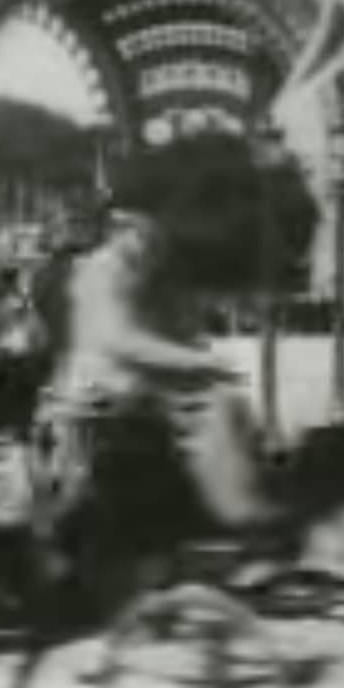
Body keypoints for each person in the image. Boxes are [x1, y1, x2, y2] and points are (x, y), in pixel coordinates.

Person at [43, 205, 275, 532]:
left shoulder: (135, 271)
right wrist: (199, 361)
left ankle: (231, 499)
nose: (149, 245)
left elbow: (158, 334)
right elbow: (121, 340)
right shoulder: (101, 270)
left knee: (222, 401)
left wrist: (192, 354)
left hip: (127, 380)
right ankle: (232, 505)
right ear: (121, 231)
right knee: (216, 405)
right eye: (141, 235)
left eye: (152, 238)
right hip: (102, 385)